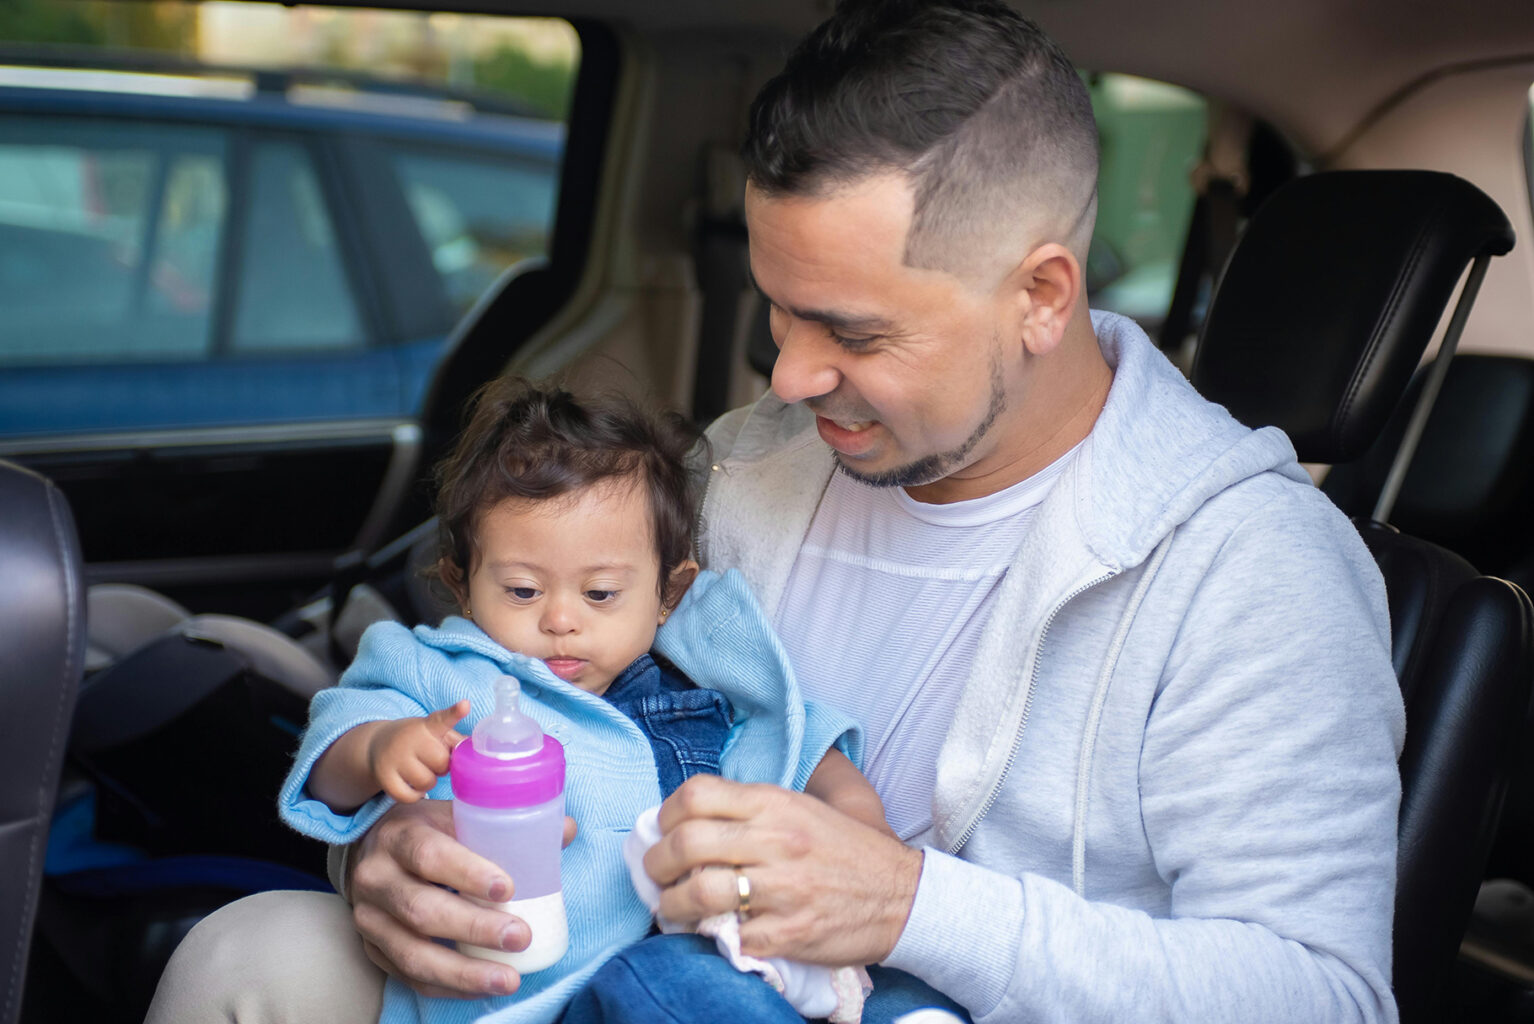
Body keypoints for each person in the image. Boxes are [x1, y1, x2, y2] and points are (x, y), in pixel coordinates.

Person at [149, 1, 1405, 1022]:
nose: (788, 376)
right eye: (777, 310)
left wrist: (912, 904)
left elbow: (1325, 994)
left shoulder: (1250, 567)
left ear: (1040, 293)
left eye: (851, 330)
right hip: (608, 973)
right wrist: (386, 859)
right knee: (251, 952)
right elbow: (514, 717)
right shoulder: (747, 468)